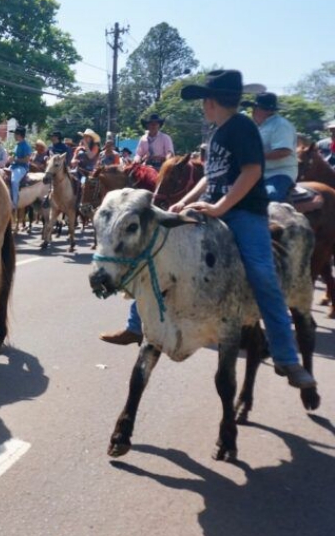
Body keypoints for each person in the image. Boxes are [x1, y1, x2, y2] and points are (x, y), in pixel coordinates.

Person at [102, 69, 316, 389]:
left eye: (204, 100)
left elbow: (252, 172)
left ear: (213, 101)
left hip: (244, 214)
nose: (203, 106)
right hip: (210, 208)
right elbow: (208, 178)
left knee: (262, 274)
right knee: (156, 248)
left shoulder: (241, 128)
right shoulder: (216, 132)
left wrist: (220, 207)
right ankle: (136, 324)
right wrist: (182, 202)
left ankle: (287, 356)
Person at [242, 92, 296, 203]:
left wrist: (254, 156)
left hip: (279, 173)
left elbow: (283, 151)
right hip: (257, 174)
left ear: (262, 110)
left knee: (269, 198)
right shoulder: (256, 127)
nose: (252, 111)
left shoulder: (280, 125)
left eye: (254, 108)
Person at [8, 127, 32, 207]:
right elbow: (14, 157)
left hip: (22, 168)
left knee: (14, 181)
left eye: (15, 134)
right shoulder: (17, 145)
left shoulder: (26, 146)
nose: (14, 135)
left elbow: (26, 160)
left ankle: (14, 204)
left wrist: (14, 159)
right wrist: (11, 159)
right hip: (13, 166)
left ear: (19, 135)